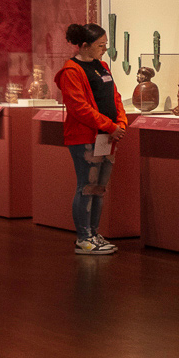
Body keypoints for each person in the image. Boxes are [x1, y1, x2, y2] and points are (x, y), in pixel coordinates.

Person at [54, 24, 128, 256]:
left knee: (99, 188)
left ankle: (94, 234)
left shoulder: (102, 66)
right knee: (86, 187)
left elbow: (115, 96)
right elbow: (79, 108)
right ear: (84, 46)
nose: (104, 49)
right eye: (100, 45)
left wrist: (121, 124)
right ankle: (84, 237)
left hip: (107, 136)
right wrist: (110, 125)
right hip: (85, 137)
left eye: (106, 45)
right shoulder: (71, 71)